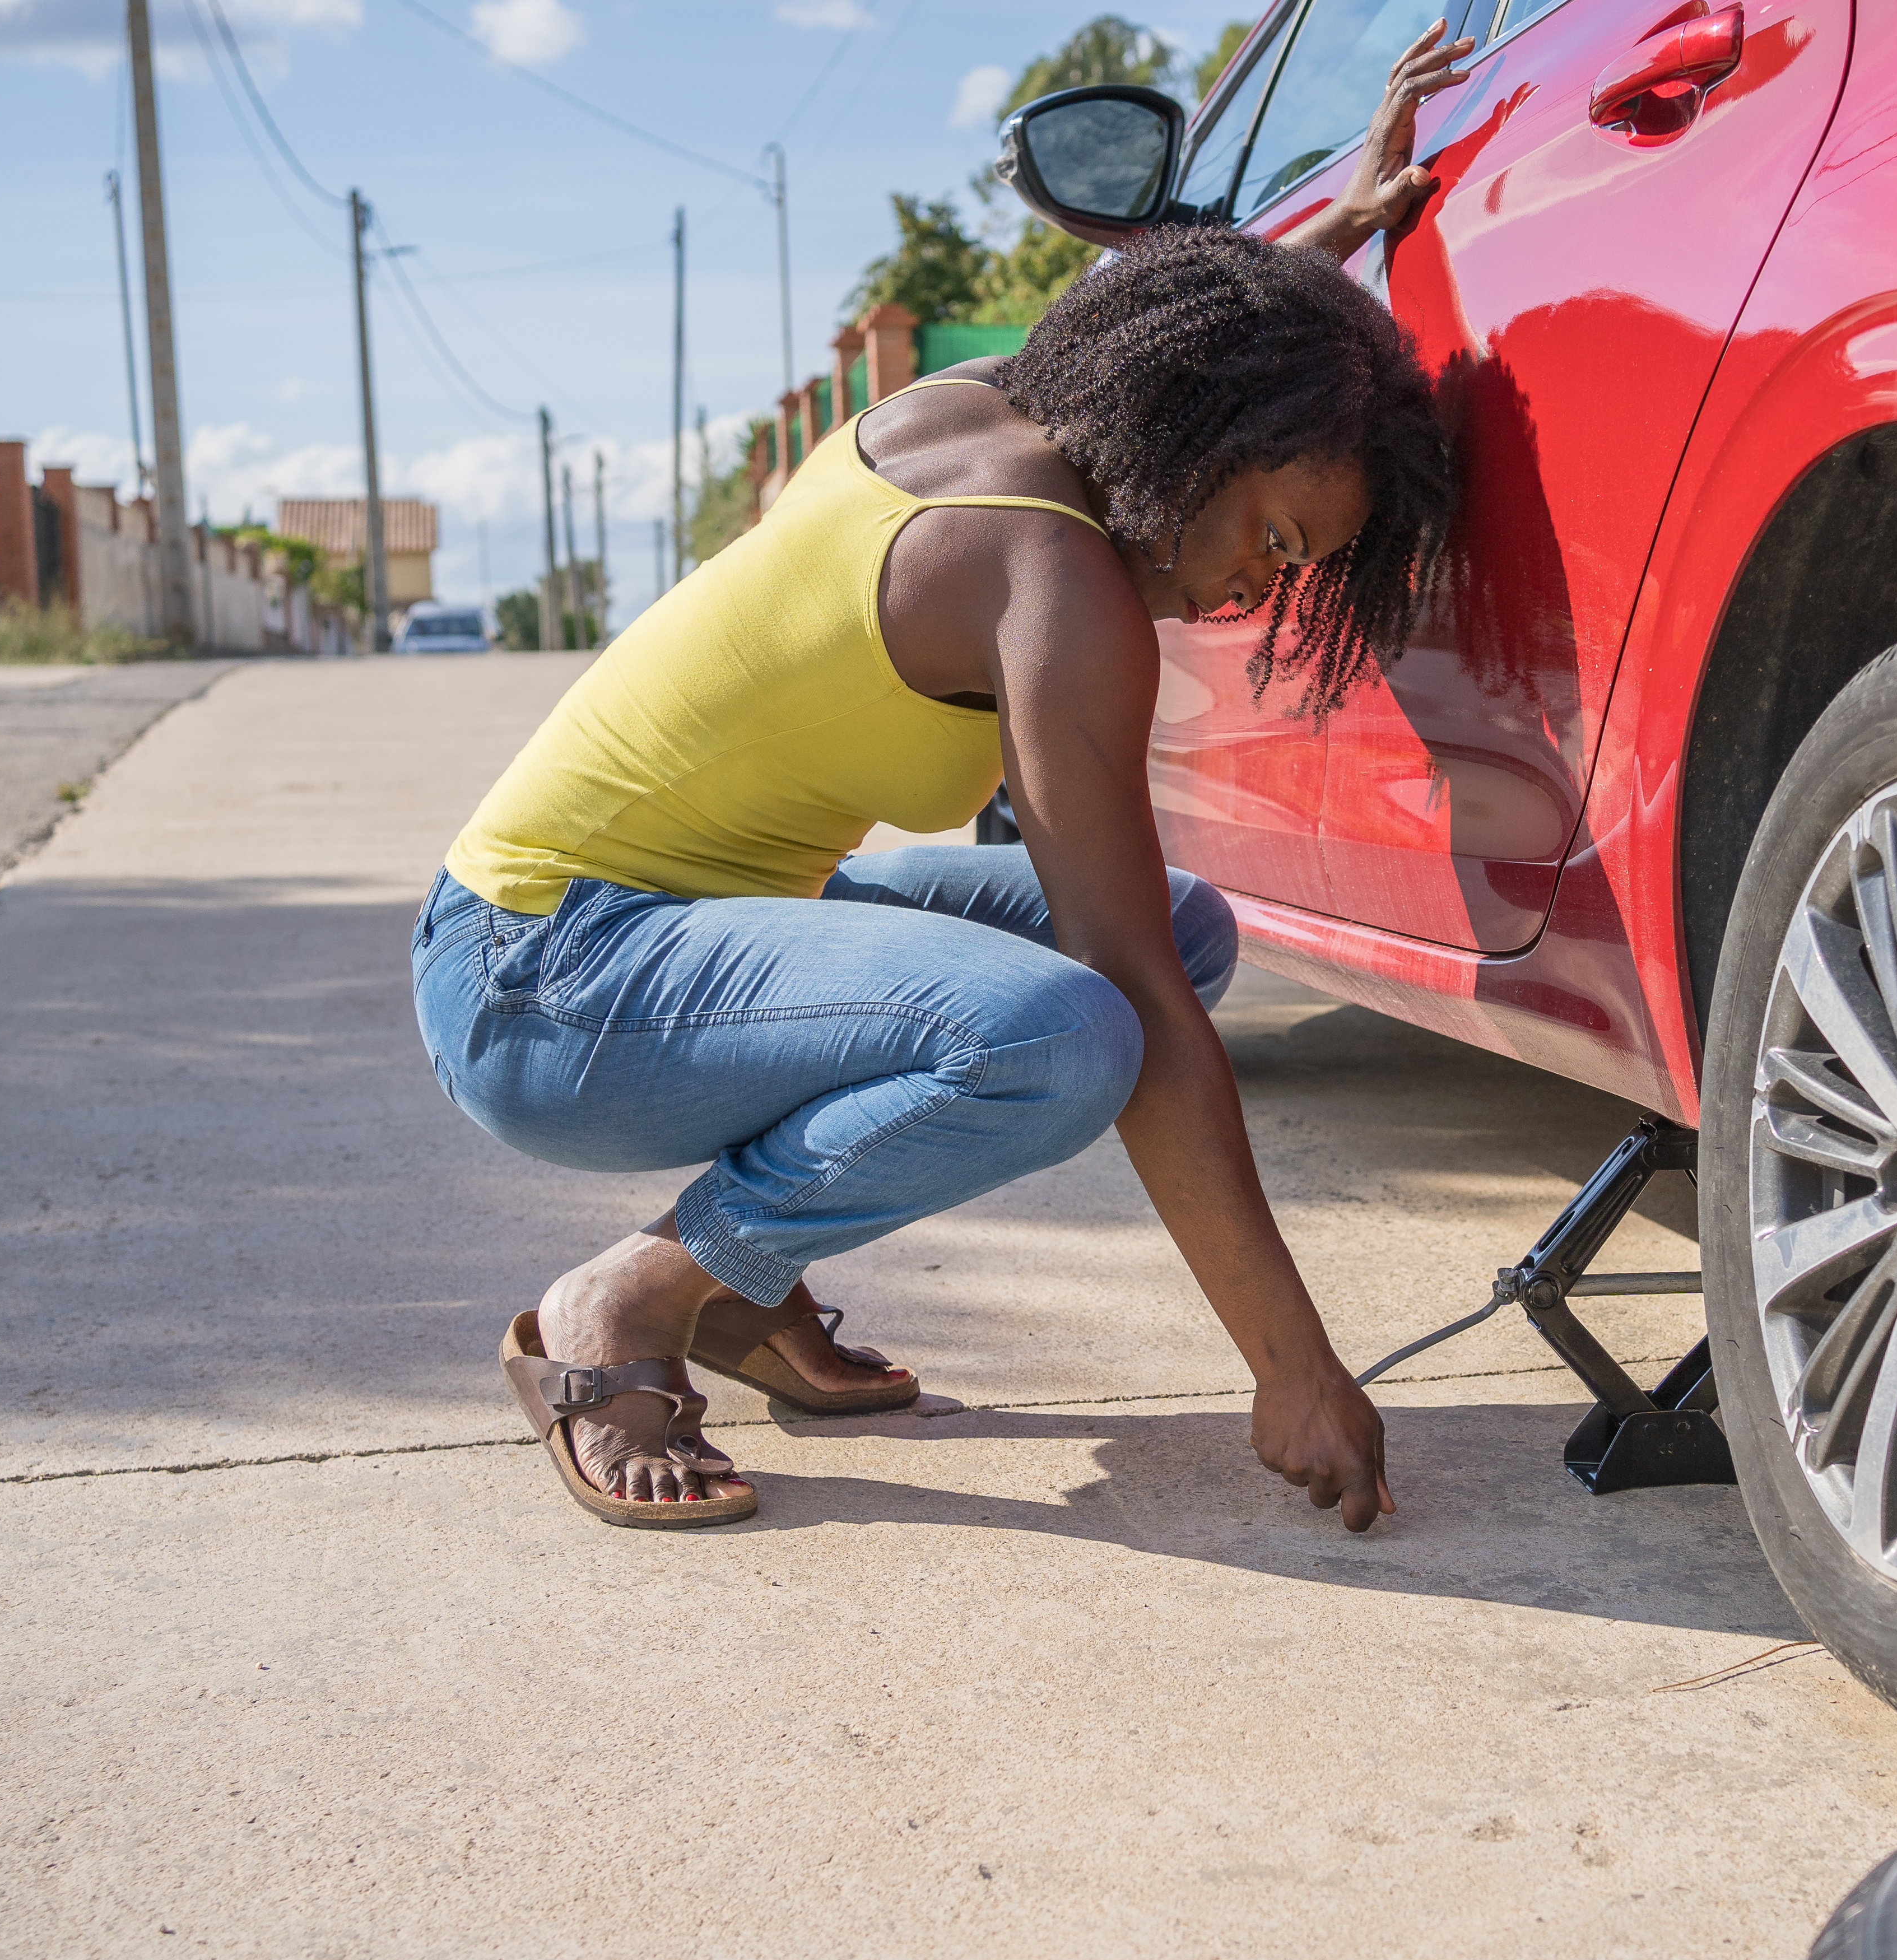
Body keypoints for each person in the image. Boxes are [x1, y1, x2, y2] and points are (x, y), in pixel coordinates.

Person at [412, 26, 1476, 1537]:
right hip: (543, 977)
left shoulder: (995, 411)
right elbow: (1134, 1015)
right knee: (1065, 1031)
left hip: (643, 920)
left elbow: (1181, 318)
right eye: (1273, 539)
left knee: (1182, 930)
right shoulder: (1055, 586)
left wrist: (1344, 223)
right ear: (1198, 441)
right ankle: (633, 1294)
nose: (1252, 587)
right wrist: (1293, 1367)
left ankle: (743, 1280)